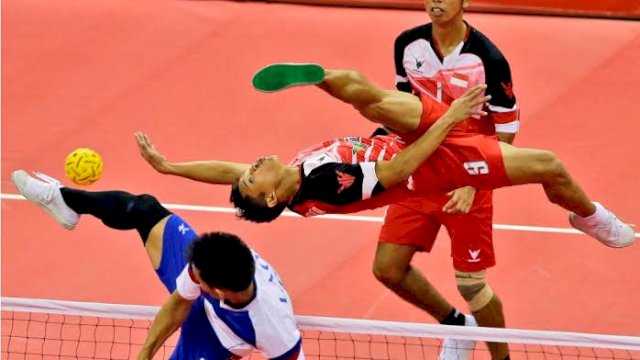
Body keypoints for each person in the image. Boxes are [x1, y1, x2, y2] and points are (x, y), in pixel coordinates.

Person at [235, 63, 634, 253]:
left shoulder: (288, 172)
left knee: (369, 98)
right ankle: (590, 217)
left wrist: (170, 168)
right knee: (550, 166)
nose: (248, 169)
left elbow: (224, 171)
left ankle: (318, 78)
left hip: (397, 136)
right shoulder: (322, 188)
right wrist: (454, 117)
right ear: (272, 199)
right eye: (251, 179)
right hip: (431, 163)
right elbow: (401, 169)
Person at [10, 170, 304, 360]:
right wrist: (145, 353)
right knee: (145, 210)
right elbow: (179, 302)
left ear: (216, 291)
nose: (191, 277)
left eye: (196, 280)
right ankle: (65, 201)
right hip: (219, 293)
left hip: (217, 341)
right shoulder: (217, 257)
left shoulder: (274, 331)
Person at [372, 0, 521, 357]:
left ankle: (503, 358)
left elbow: (508, 128)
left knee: (473, 286)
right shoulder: (407, 45)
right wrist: (384, 136)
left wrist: (475, 182)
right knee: (388, 269)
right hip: (421, 171)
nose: (436, 1)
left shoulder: (488, 58)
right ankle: (457, 325)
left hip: (468, 176)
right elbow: (403, 105)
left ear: (465, 2)